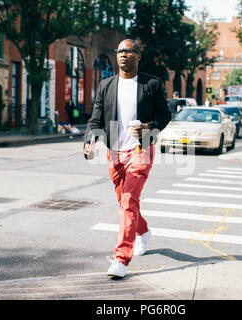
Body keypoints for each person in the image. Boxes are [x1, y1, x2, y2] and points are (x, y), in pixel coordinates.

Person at [83, 39, 171, 278]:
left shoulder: (151, 84)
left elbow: (164, 115)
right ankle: (142, 231)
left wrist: (149, 127)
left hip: (140, 149)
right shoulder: (106, 85)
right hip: (115, 151)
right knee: (125, 203)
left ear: (137, 56)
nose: (123, 54)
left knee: (129, 199)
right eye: (120, 51)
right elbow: (96, 118)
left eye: (128, 51)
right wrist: (89, 140)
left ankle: (121, 259)